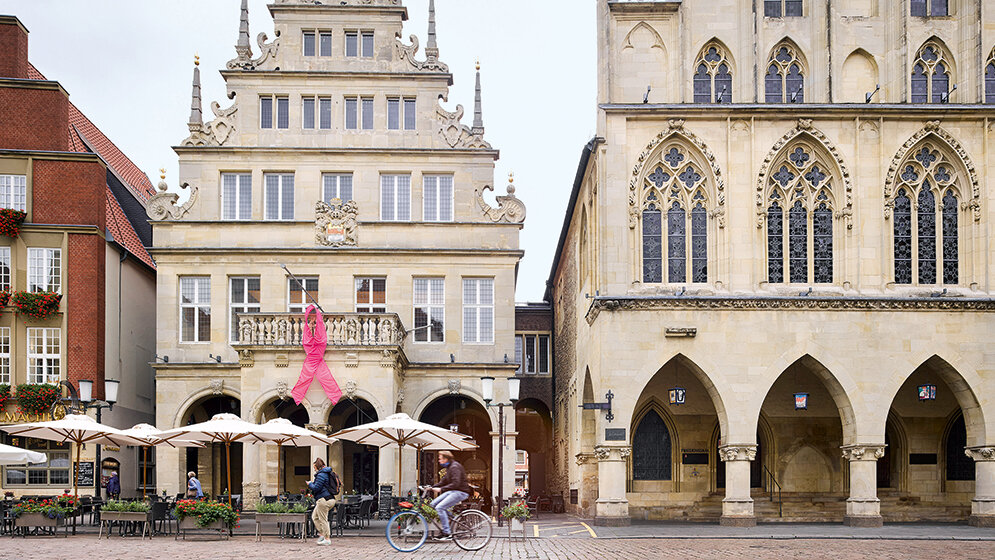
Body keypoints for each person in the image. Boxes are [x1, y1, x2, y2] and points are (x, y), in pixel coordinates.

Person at [430, 451, 472, 540]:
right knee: (433, 504)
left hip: (460, 492)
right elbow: (443, 481)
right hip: (453, 491)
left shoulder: (454, 467)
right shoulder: (449, 468)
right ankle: (453, 518)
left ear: (446, 459)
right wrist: (431, 487)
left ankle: (447, 532)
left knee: (440, 508)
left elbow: (456, 483)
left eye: (440, 459)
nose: (439, 461)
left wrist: (441, 489)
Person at [307, 458, 340, 546]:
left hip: (324, 500)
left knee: (323, 519)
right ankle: (322, 533)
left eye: (314, 467)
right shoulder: (325, 473)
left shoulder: (321, 475)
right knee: (315, 517)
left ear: (317, 466)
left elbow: (316, 488)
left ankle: (327, 538)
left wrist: (310, 484)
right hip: (327, 499)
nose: (314, 469)